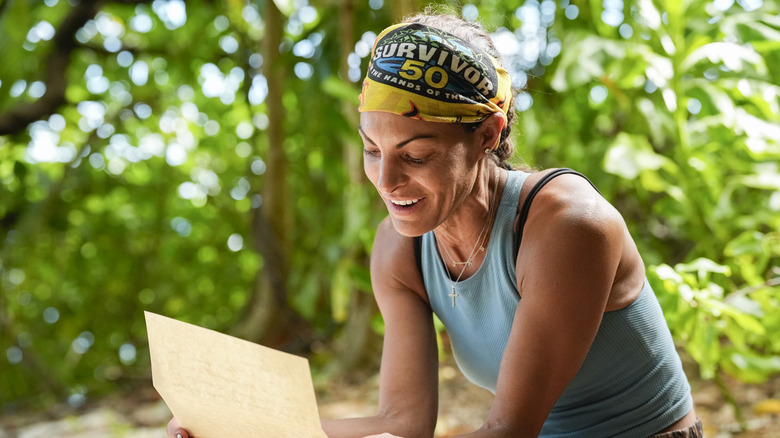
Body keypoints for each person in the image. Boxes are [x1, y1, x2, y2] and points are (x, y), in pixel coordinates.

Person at [168, 12, 702, 438]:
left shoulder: (567, 225)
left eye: (416, 155)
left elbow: (509, 430)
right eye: (372, 150)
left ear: (488, 135)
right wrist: (243, 430)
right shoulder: (399, 250)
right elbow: (401, 424)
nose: (387, 180)